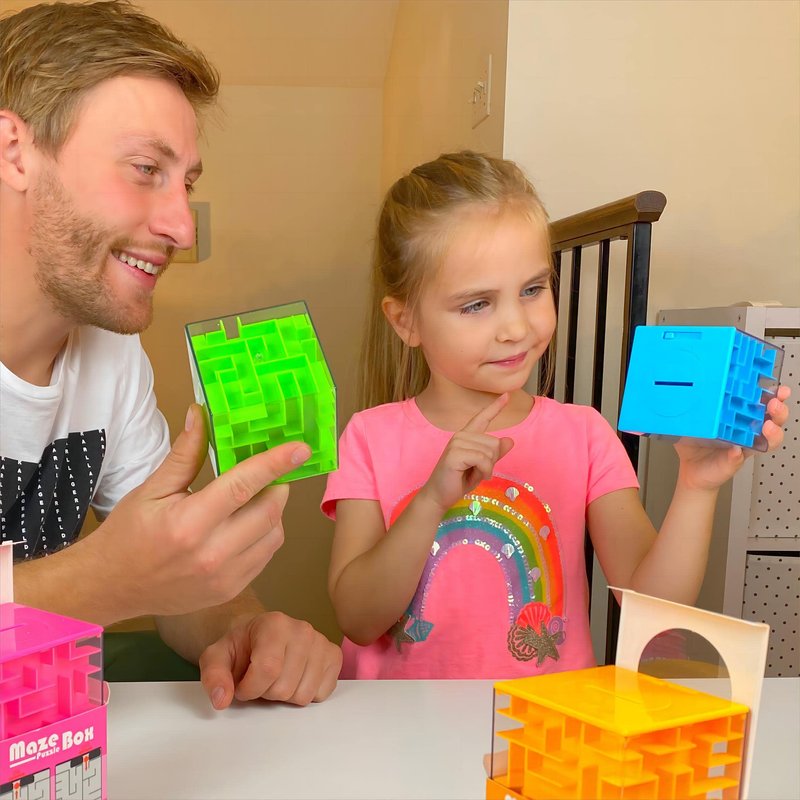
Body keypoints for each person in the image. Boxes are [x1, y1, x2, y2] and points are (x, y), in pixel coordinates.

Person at [321, 150, 791, 679]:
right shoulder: (370, 438)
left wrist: (697, 487)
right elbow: (358, 619)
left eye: (532, 289)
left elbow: (654, 608)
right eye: (476, 304)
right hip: (400, 724)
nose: (517, 328)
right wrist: (431, 500)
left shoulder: (584, 435)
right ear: (405, 321)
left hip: (543, 723)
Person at [0, 0, 341, 707]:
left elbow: (169, 580)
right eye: (145, 168)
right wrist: (104, 581)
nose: (184, 228)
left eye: (186, 183)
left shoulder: (112, 359)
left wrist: (242, 626)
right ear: (13, 151)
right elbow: (126, 575)